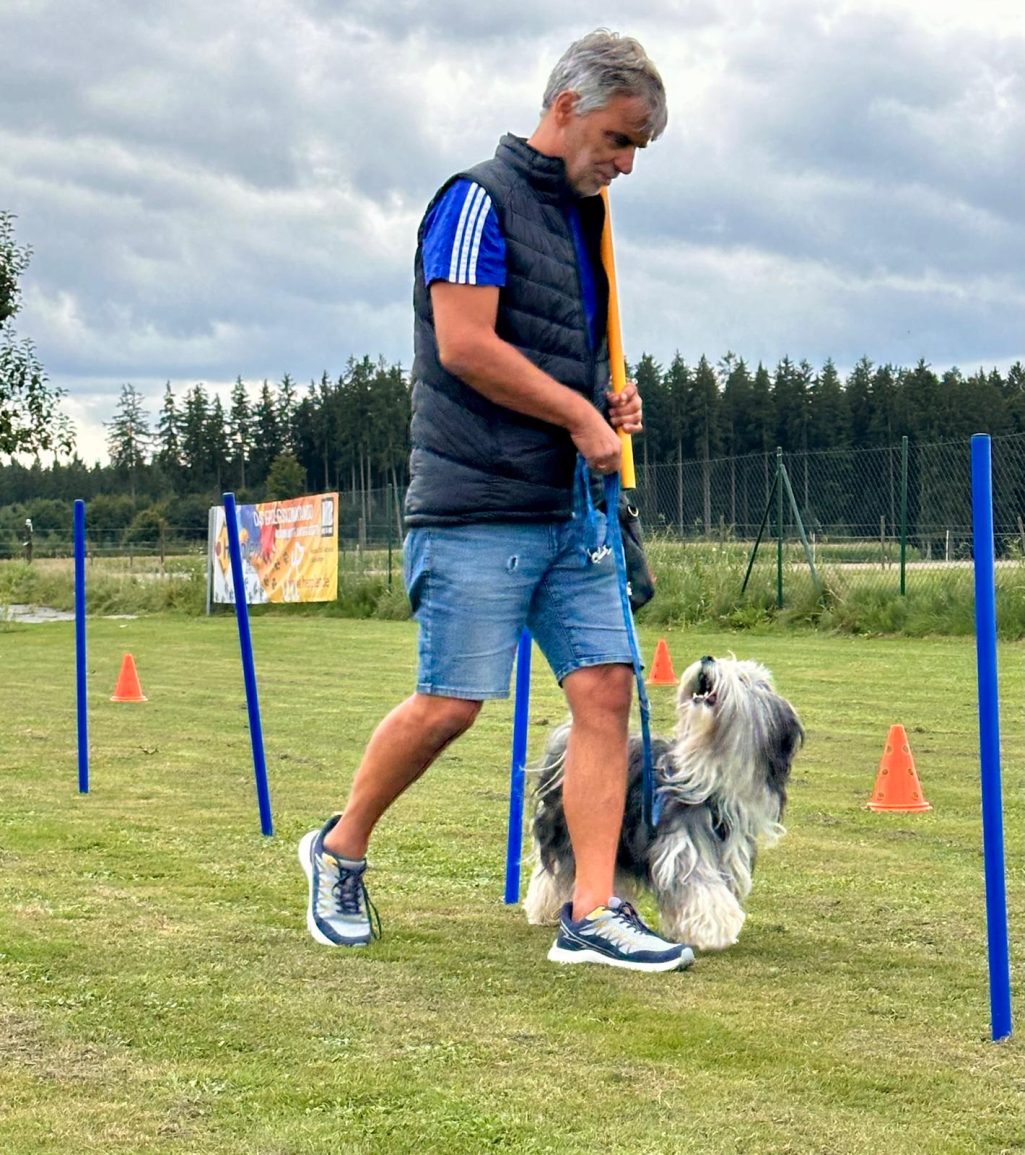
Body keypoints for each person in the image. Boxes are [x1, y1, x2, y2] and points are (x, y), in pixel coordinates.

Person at [300, 29, 693, 972]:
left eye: (638, 147)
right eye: (618, 138)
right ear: (565, 107)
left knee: (605, 690)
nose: (625, 164)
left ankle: (592, 911)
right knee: (450, 705)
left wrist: (605, 401)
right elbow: (465, 344)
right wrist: (577, 414)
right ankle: (339, 849)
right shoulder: (474, 200)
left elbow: (555, 352)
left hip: (572, 510)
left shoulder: (586, 220)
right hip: (475, 504)